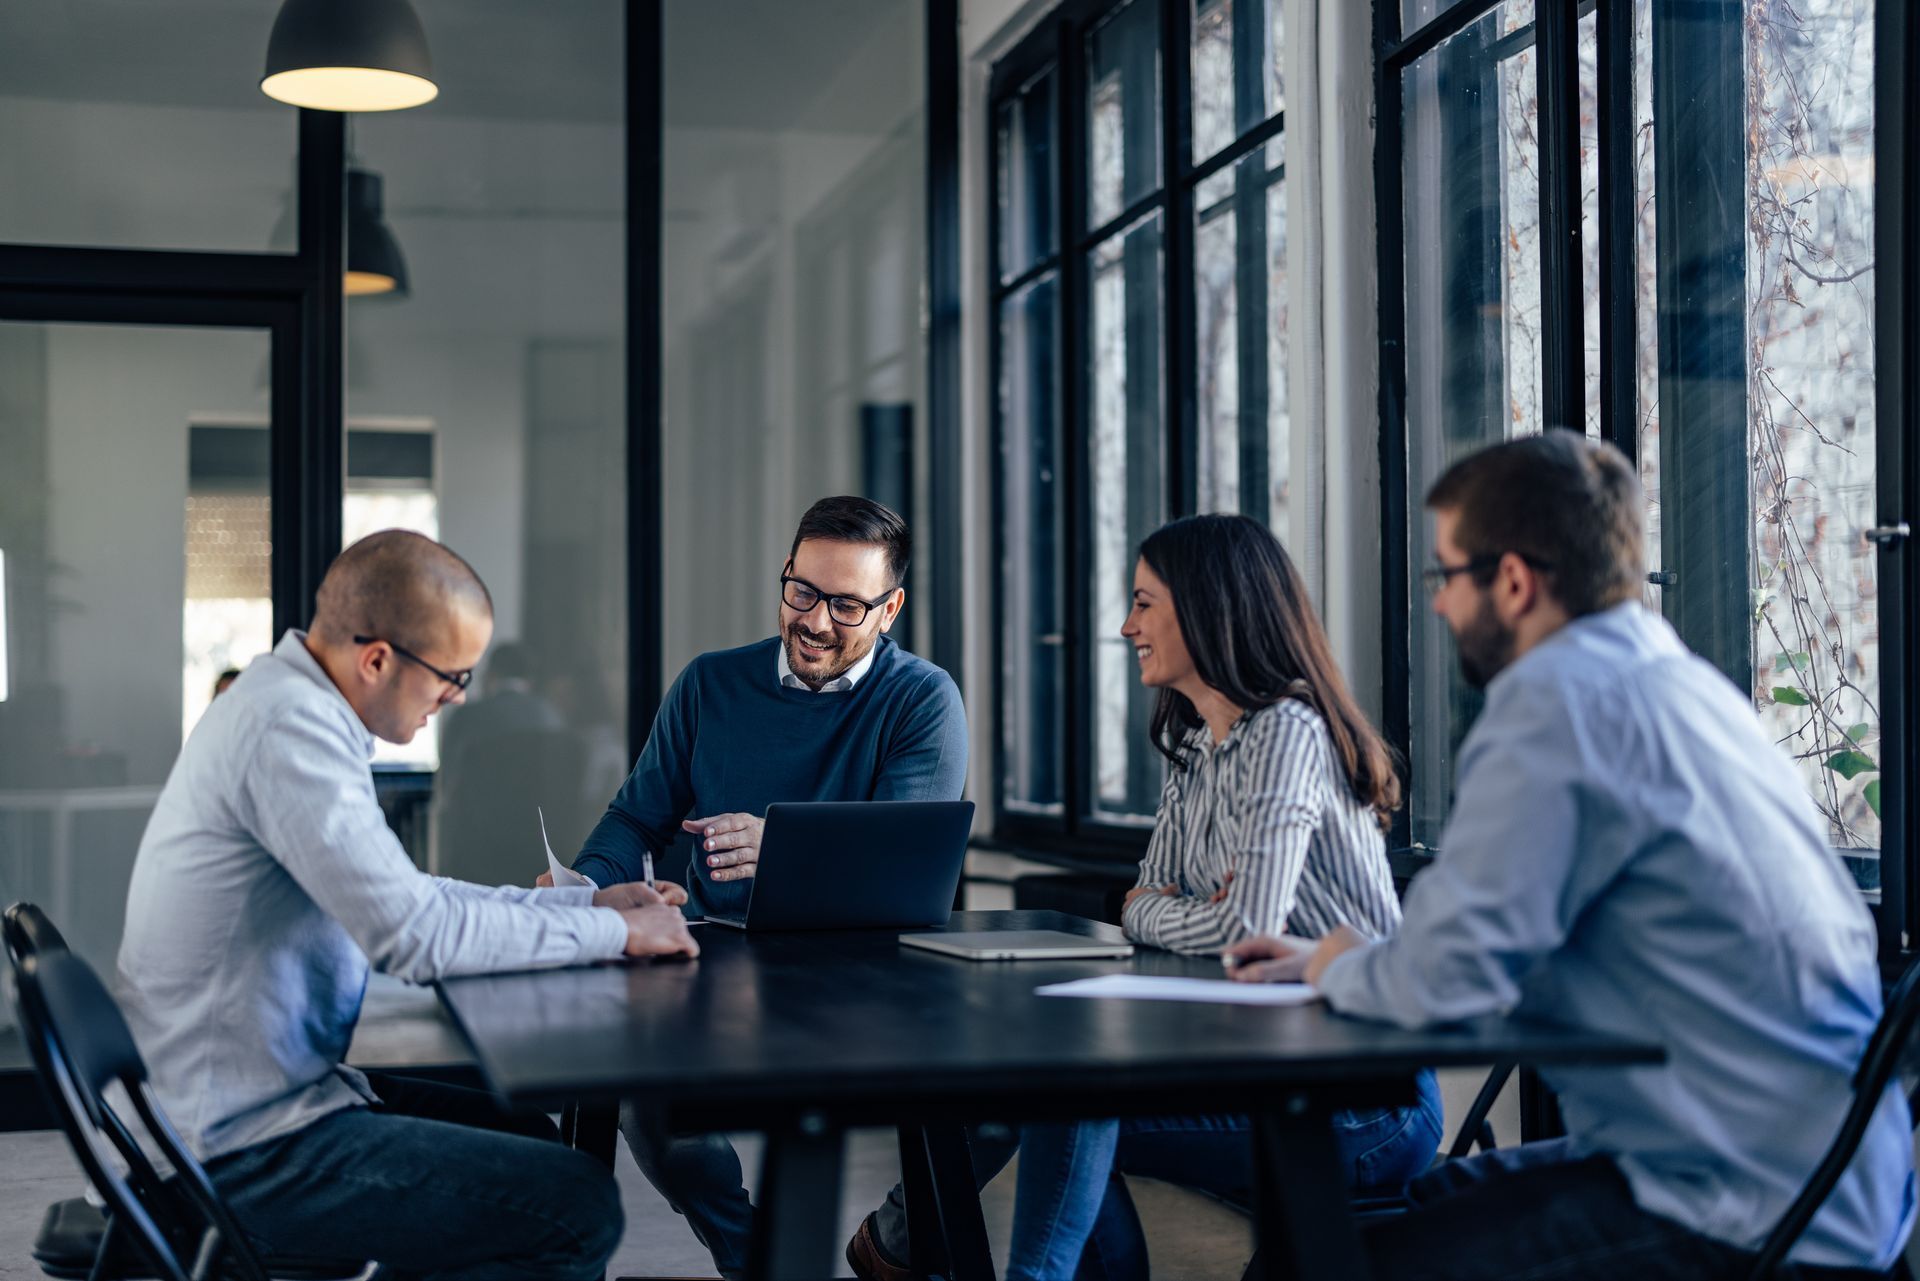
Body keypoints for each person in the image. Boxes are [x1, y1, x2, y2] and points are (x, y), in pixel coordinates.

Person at [1229, 430, 1915, 1279]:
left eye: (1446, 575)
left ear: (1512, 580)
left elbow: (1449, 982)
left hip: (1745, 1210)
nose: (1439, 605)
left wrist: (1336, 964)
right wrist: (1354, 959)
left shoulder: (1558, 706)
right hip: (1828, 1177)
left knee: (1305, 1266)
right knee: (1428, 1204)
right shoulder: (1684, 688)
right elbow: (1480, 946)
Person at [847, 514, 1442, 1281]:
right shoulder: (1194, 741)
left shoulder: (1288, 731)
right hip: (1259, 1060)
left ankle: (924, 1252)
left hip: (1366, 1099)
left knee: (1063, 1103)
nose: (1127, 626)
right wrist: (1167, 908)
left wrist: (1174, 908)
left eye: (1144, 602)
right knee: (1052, 1091)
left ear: (1208, 609)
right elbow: (1139, 908)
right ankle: (916, 1249)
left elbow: (1241, 923)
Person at [117, 530, 700, 1281]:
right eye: (452, 676)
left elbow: (409, 893)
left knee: (526, 1134)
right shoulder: (288, 732)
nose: (458, 697)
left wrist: (582, 904)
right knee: (576, 1204)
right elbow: (412, 936)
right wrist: (615, 931)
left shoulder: (295, 706)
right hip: (240, 1145)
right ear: (378, 659)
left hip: (264, 1094)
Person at [549, 495, 968, 1278]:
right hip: (719, 970)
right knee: (654, 1109)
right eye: (801, 590)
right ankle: (758, 1261)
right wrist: (583, 883)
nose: (814, 620)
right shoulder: (710, 684)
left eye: (847, 604)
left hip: (870, 976)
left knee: (1011, 1098)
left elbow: (905, 861)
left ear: (891, 608)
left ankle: (892, 1242)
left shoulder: (923, 699)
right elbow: (635, 821)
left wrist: (783, 845)